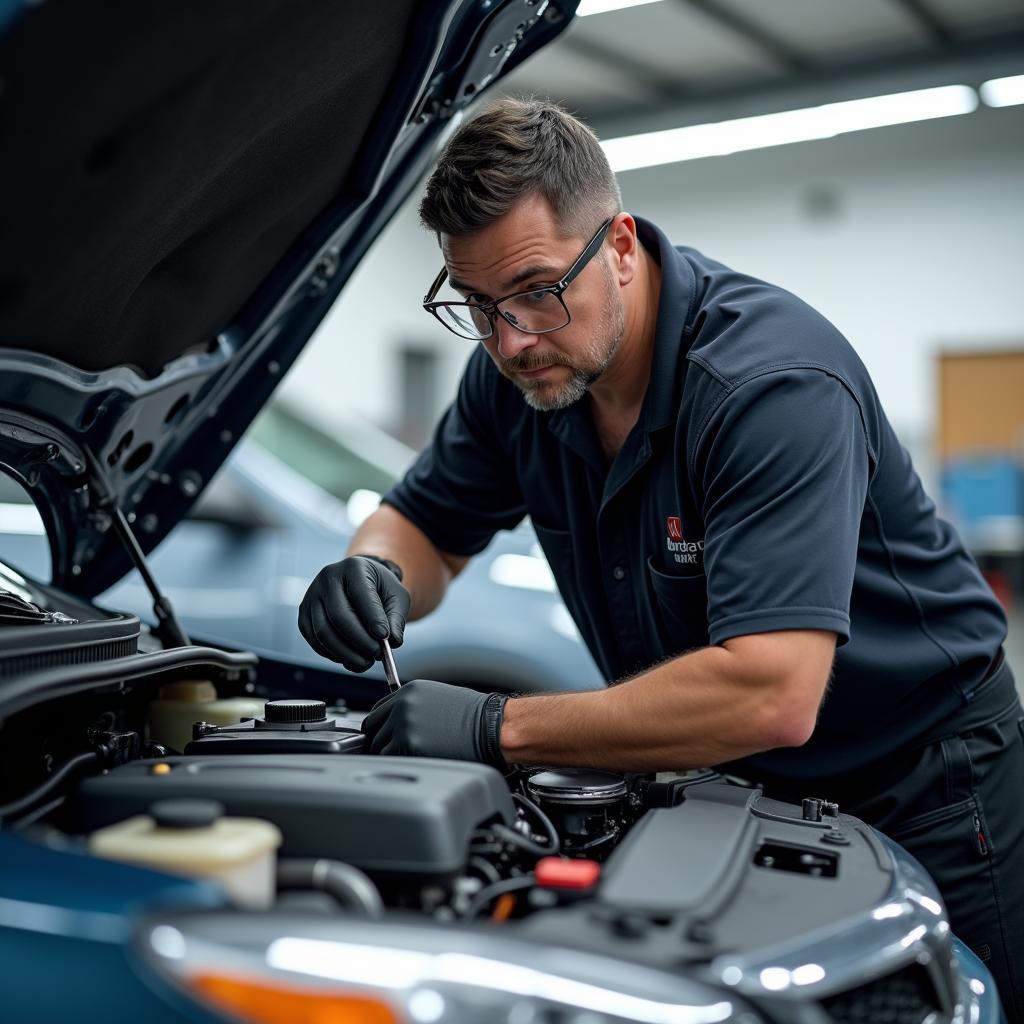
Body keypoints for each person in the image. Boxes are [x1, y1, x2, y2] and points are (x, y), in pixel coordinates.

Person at [298, 98, 1022, 1015]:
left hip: (925, 781)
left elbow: (771, 690)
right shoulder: (516, 379)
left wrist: (495, 727)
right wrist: (373, 569)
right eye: (476, 306)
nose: (510, 339)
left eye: (536, 290)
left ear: (623, 247)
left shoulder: (770, 385)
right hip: (734, 783)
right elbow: (424, 527)